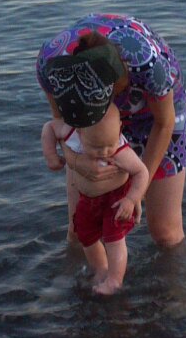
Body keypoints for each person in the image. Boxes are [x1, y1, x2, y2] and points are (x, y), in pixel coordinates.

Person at [37, 13, 186, 247]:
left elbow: (165, 123)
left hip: (158, 114)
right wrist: (77, 161)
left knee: (165, 232)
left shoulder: (148, 63)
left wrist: (136, 193)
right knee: (80, 232)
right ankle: (84, 270)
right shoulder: (51, 65)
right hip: (91, 114)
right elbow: (61, 124)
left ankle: (174, 271)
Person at [42, 104, 149, 294]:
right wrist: (51, 155)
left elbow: (141, 172)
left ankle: (115, 280)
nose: (105, 152)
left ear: (119, 130)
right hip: (88, 200)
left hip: (116, 200)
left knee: (114, 238)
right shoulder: (71, 134)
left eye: (110, 145)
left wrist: (131, 199)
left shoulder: (119, 150)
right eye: (97, 147)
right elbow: (49, 127)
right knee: (85, 234)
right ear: (80, 132)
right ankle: (101, 268)